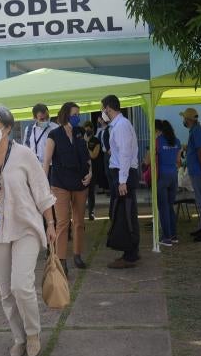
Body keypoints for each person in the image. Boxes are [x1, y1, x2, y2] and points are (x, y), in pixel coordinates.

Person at [0, 105, 56, 356]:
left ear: (7, 128)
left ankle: (33, 333)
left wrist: (50, 224)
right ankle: (19, 337)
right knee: (6, 291)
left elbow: (42, 190)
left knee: (21, 285)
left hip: (25, 226)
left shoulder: (25, 155)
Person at [41, 102, 91, 275]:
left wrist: (90, 172)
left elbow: (87, 157)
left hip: (81, 183)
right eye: (75, 113)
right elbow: (46, 161)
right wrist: (43, 185)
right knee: (62, 223)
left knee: (79, 222)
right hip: (60, 184)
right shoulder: (53, 135)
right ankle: (61, 260)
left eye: (79, 113)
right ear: (66, 115)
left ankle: (77, 255)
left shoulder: (80, 133)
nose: (78, 116)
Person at [102, 95, 140, 268]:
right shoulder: (117, 125)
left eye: (104, 109)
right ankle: (129, 252)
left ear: (109, 108)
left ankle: (130, 255)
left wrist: (122, 180)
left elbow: (125, 154)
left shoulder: (121, 125)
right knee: (123, 213)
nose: (103, 112)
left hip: (123, 174)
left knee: (126, 215)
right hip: (121, 173)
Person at [181, 108, 201, 242]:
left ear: (188, 119)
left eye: (184, 118)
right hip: (197, 171)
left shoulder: (198, 131)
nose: (183, 120)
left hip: (199, 172)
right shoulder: (195, 130)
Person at [155, 119, 182, 247]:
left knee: (163, 207)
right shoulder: (176, 141)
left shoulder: (158, 140)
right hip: (174, 176)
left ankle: (166, 238)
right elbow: (178, 161)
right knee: (170, 206)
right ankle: (173, 235)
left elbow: (149, 160)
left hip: (162, 176)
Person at [84, 121, 102, 220]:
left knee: (91, 192)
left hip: (93, 169)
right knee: (81, 193)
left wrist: (86, 143)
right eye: (85, 128)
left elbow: (93, 155)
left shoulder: (96, 141)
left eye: (89, 128)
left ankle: (91, 212)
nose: (87, 130)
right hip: (82, 170)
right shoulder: (81, 139)